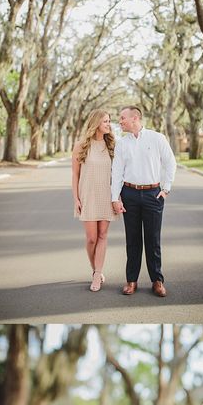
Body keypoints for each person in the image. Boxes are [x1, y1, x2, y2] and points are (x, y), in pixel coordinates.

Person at [111, 106, 176, 298]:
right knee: (132, 241)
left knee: (153, 240)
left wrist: (166, 189)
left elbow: (170, 162)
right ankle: (131, 281)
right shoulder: (122, 143)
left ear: (135, 118)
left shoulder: (157, 138)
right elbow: (116, 172)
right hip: (129, 194)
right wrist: (115, 198)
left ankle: (157, 281)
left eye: (122, 118)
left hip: (152, 195)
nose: (120, 121)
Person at [72, 109, 119, 292]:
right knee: (91, 238)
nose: (109, 124)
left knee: (102, 236)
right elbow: (75, 175)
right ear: (96, 123)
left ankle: (97, 275)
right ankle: (95, 270)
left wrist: (117, 196)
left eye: (109, 121)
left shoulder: (112, 146)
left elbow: (117, 175)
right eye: (105, 121)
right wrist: (75, 198)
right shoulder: (81, 145)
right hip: (87, 196)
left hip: (106, 196)